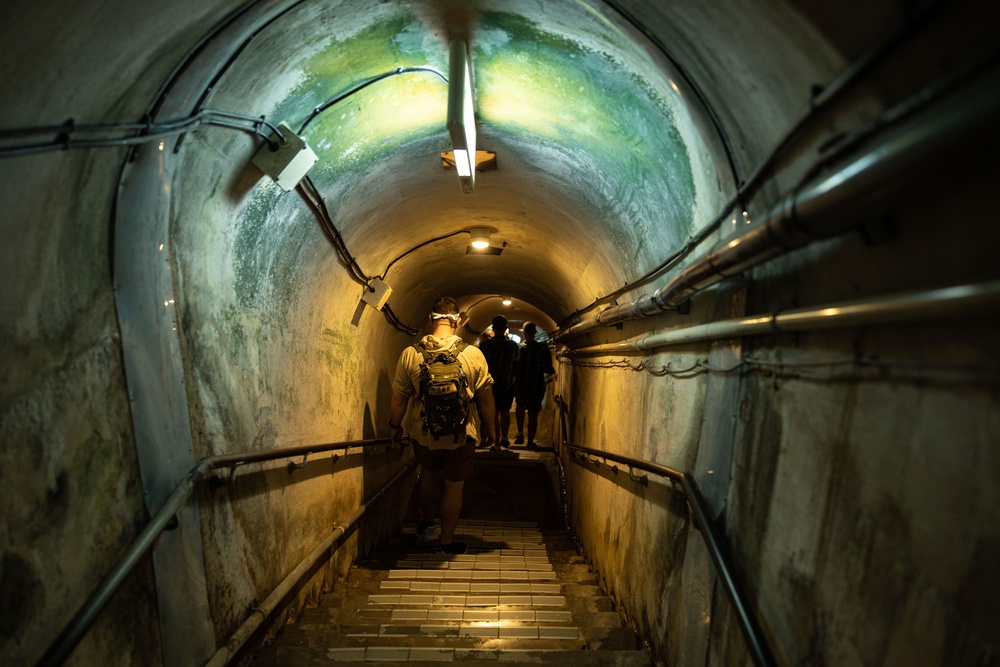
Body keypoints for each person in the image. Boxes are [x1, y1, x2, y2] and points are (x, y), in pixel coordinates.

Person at [389, 297, 496, 555]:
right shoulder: (473, 354)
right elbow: (486, 399)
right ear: (458, 322)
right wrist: (490, 429)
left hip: (423, 433)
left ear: (429, 319)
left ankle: (428, 527)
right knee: (454, 485)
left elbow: (399, 400)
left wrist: (394, 426)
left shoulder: (410, 354)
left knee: (428, 472)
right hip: (462, 434)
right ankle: (446, 543)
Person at [477, 315, 519, 450]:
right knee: (505, 412)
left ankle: (494, 442)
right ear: (506, 328)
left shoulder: (484, 346)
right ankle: (504, 438)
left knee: (492, 413)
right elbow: (517, 362)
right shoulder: (512, 346)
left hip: (489, 386)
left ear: (493, 329)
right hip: (507, 385)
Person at [513, 322, 555, 448]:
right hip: (536, 385)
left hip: (521, 384)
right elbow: (548, 368)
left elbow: (513, 367)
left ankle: (520, 433)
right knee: (533, 413)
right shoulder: (542, 348)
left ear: (523, 332)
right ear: (535, 333)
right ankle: (530, 442)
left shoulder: (518, 348)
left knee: (519, 407)